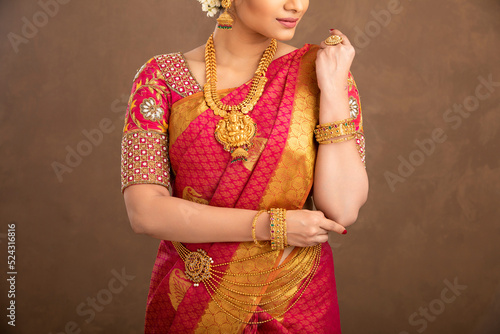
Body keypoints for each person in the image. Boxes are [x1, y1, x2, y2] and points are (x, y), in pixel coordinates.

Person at [120, 0, 368, 332]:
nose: (296, 5)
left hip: (294, 300)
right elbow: (145, 213)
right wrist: (271, 226)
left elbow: (343, 209)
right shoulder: (160, 78)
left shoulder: (322, 74)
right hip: (194, 298)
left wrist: (334, 91)